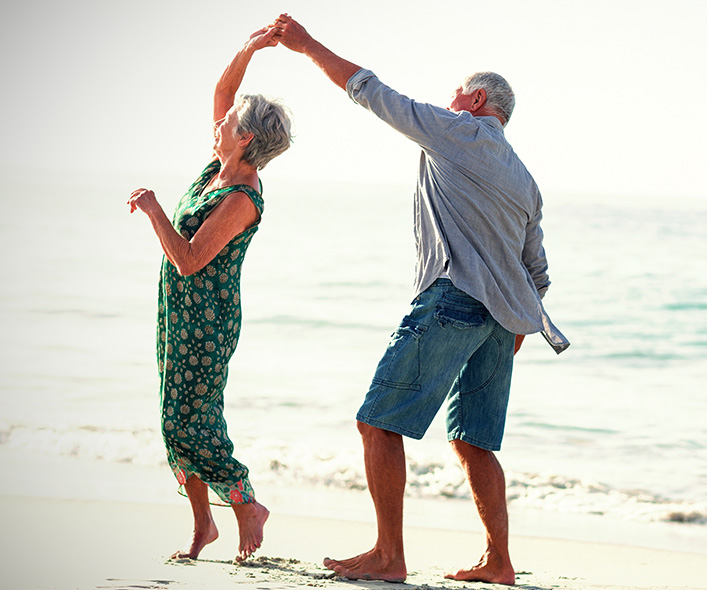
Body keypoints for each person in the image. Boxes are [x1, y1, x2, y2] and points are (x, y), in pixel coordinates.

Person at [273, 13, 564, 585]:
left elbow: (372, 92)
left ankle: (389, 555)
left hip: (453, 300)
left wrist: (306, 45)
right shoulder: (525, 177)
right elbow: (538, 270)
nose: (448, 100)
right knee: (473, 440)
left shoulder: (458, 131)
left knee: (377, 424)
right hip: (501, 322)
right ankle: (499, 562)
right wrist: (514, 329)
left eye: (456, 92)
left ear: (476, 99)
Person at [127, 26, 293, 562]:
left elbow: (191, 259)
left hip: (207, 319)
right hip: (176, 312)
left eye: (229, 122)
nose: (219, 122)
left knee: (188, 420)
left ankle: (245, 503)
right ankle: (203, 527)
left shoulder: (243, 194)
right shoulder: (216, 170)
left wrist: (154, 211)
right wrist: (249, 49)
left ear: (245, 138)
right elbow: (224, 97)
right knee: (173, 418)